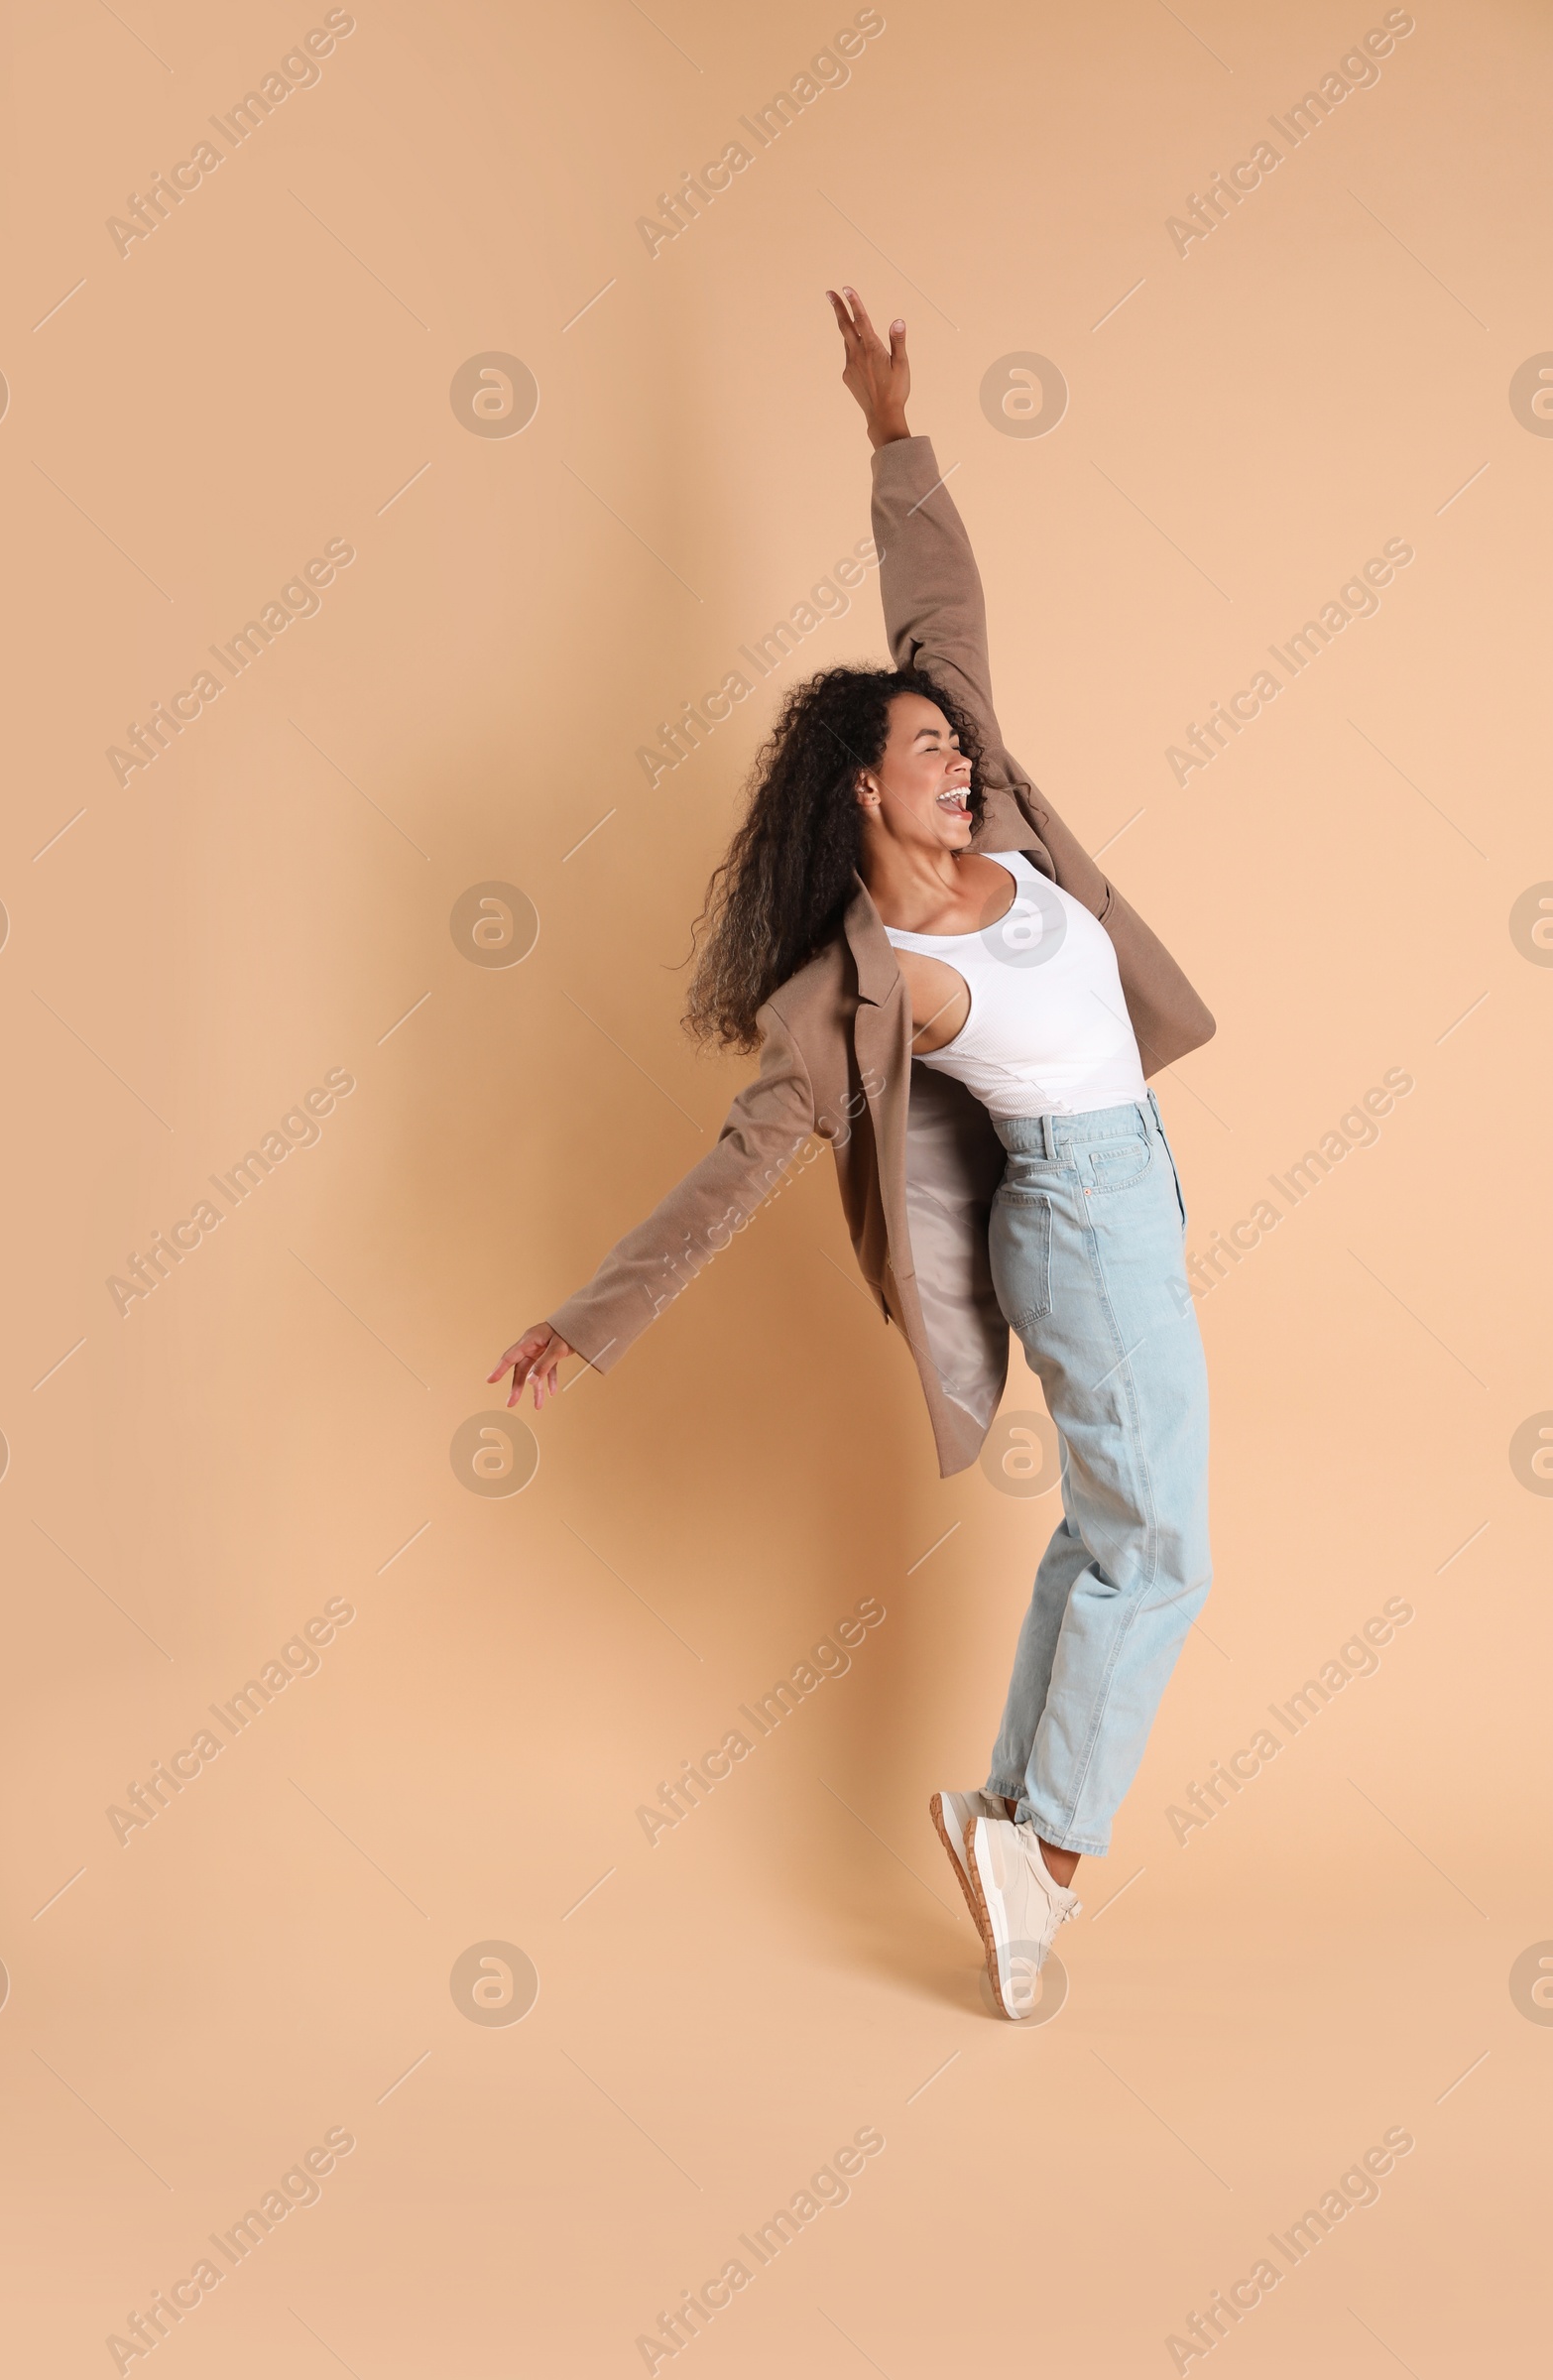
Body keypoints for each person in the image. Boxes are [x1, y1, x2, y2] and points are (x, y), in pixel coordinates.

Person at [492, 290, 1216, 2018]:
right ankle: (1042, 1848)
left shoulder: (1002, 824)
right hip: (1081, 1211)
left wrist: (893, 434)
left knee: (1102, 1539)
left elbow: (937, 600)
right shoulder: (861, 991)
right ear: (863, 801)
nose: (958, 758)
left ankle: (1007, 1817)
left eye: (955, 742)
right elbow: (732, 1175)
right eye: (928, 753)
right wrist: (588, 1324)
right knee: (1162, 1548)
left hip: (1133, 1187)